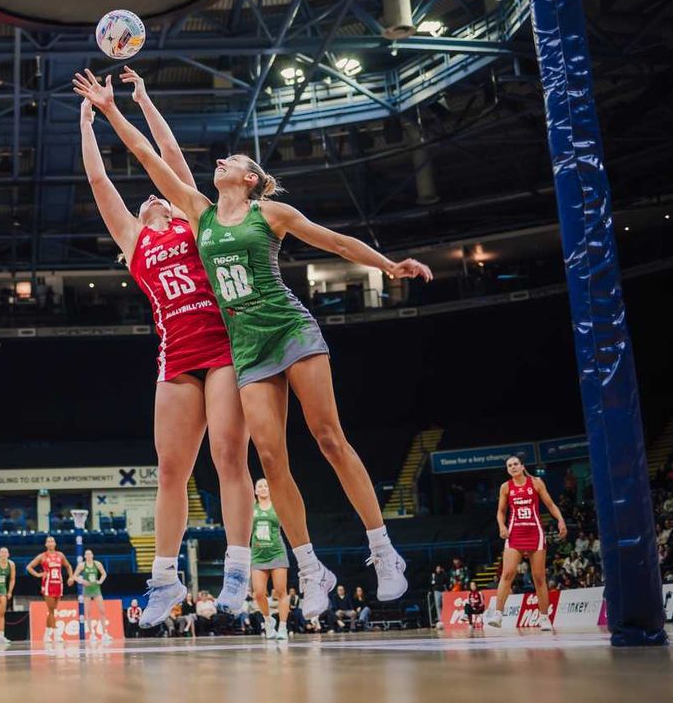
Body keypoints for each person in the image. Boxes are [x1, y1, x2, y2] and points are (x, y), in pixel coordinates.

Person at [74, 69, 431, 617]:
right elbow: (149, 158)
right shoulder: (199, 215)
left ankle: (381, 550)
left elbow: (332, 240)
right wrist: (112, 108)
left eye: (232, 161)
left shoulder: (264, 213)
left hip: (283, 329)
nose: (221, 162)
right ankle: (312, 569)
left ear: (250, 179)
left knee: (327, 438)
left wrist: (387, 264)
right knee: (269, 457)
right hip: (243, 348)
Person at [78, 71, 255, 628]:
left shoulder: (192, 216)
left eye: (159, 195)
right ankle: (164, 577)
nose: (153, 196)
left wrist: (141, 100)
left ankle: (237, 571)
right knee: (170, 470)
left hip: (224, 347)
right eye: (147, 199)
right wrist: (87, 120)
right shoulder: (134, 240)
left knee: (229, 456)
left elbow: (170, 154)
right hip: (176, 358)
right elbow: (100, 181)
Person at [486, 454, 567, 630]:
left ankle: (544, 618)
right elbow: (501, 512)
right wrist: (501, 526)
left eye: (516, 464)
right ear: (508, 470)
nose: (513, 467)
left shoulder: (536, 483)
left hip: (535, 532)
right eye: (509, 465)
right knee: (507, 574)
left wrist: (560, 520)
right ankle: (498, 614)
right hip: (515, 533)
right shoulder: (505, 487)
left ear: (522, 466)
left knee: (539, 577)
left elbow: (551, 505)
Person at [250, 478, 291, 640]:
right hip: (258, 555)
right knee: (259, 593)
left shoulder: (278, 505)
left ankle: (283, 627)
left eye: (266, 485)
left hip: (277, 552)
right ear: (255, 491)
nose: (263, 488)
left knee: (281, 591)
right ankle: (268, 621)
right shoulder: (251, 508)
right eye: (259, 486)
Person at [26, 536, 74, 642]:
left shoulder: (60, 555)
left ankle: (46, 635)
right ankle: (56, 634)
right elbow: (29, 567)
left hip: (59, 584)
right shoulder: (42, 556)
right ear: (46, 545)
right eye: (48, 541)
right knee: (51, 610)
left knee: (52, 610)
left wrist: (71, 577)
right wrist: (38, 574)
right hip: (48, 585)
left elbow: (69, 566)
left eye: (52, 541)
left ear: (55, 543)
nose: (51, 543)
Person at [69, 549, 111, 643]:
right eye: (86, 554)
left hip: (96, 588)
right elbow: (74, 576)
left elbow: (104, 574)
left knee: (102, 611)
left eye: (90, 554)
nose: (88, 556)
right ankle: (92, 634)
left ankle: (104, 633)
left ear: (92, 555)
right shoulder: (82, 565)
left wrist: (100, 581)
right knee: (88, 612)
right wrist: (82, 581)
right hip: (87, 590)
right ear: (85, 556)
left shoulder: (97, 564)